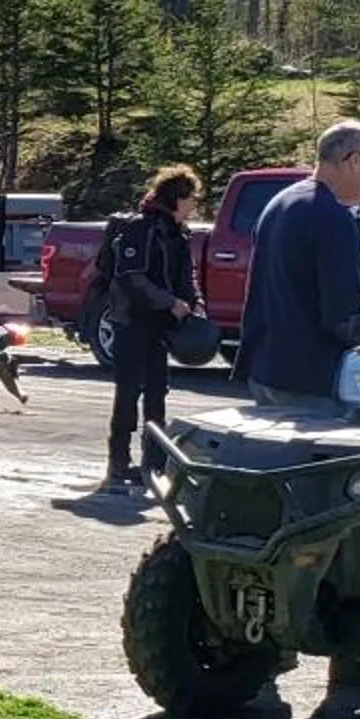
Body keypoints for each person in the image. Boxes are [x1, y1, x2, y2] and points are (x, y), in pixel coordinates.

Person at [234, 120, 360, 414]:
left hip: (266, 371)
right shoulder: (334, 217)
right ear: (355, 161)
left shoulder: (280, 202)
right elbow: (344, 314)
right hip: (312, 380)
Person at [96, 164, 201, 490]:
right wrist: (169, 302)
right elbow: (131, 278)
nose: (194, 205)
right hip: (131, 322)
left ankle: (153, 464)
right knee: (128, 393)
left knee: (157, 394)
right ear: (177, 198)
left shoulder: (178, 232)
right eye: (191, 198)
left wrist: (195, 302)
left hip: (160, 327)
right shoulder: (141, 229)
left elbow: (186, 276)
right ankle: (118, 465)